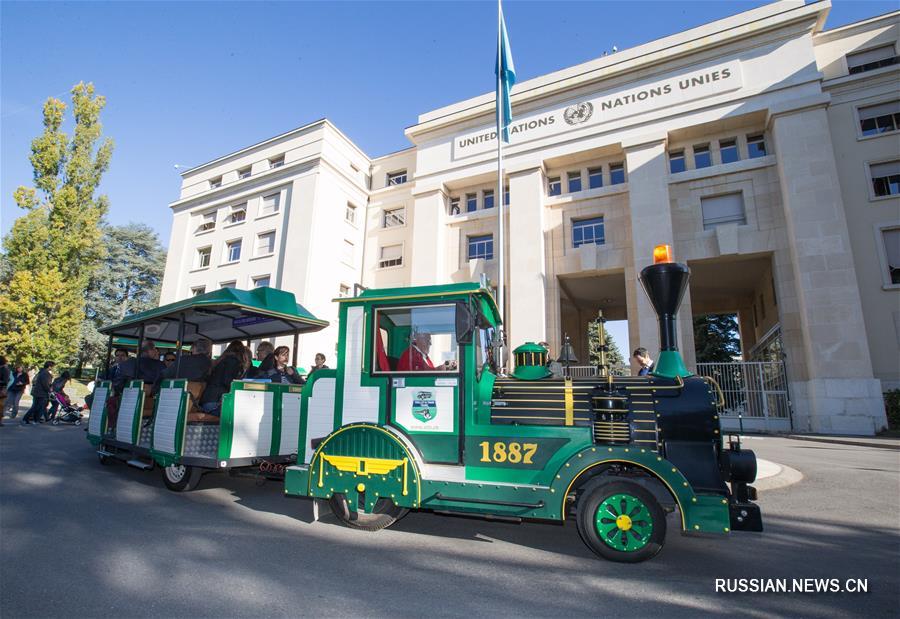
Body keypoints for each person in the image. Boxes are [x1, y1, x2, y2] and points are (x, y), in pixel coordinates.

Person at [198, 341, 249, 416]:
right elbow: (227, 381)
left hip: (208, 399)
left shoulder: (221, 361)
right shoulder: (233, 361)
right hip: (217, 401)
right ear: (242, 352)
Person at [22, 361, 54, 425]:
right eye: (52, 366)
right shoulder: (45, 374)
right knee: (38, 407)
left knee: (36, 407)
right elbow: (45, 384)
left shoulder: (41, 372)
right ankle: (32, 419)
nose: (52, 368)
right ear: (49, 366)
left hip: (37, 392)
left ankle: (31, 419)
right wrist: (49, 390)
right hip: (41, 393)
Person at [0, 356, 8, 426]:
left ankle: (0, 421)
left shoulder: (4, 370)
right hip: (2, 389)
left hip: (1, 389)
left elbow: (5, 381)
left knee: (1, 406)